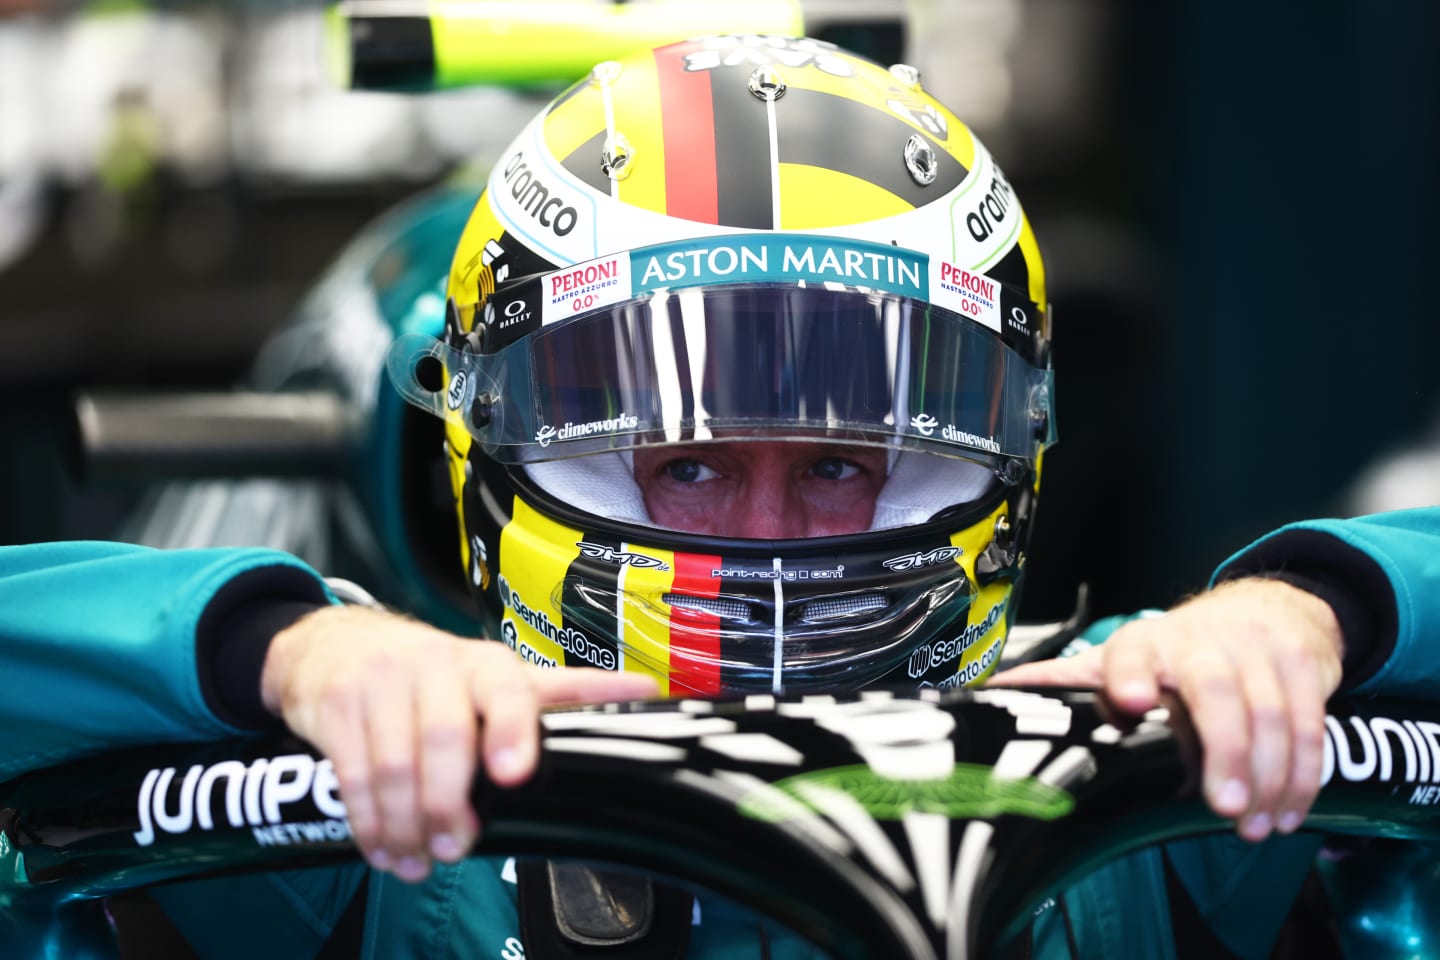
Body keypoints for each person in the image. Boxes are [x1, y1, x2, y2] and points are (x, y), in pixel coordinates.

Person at [5, 32, 1440, 959]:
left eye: (840, 466)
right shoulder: (388, 826)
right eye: (684, 462)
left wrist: (1310, 612)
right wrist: (297, 650)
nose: (763, 533)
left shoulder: (1157, 748)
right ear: (486, 446)